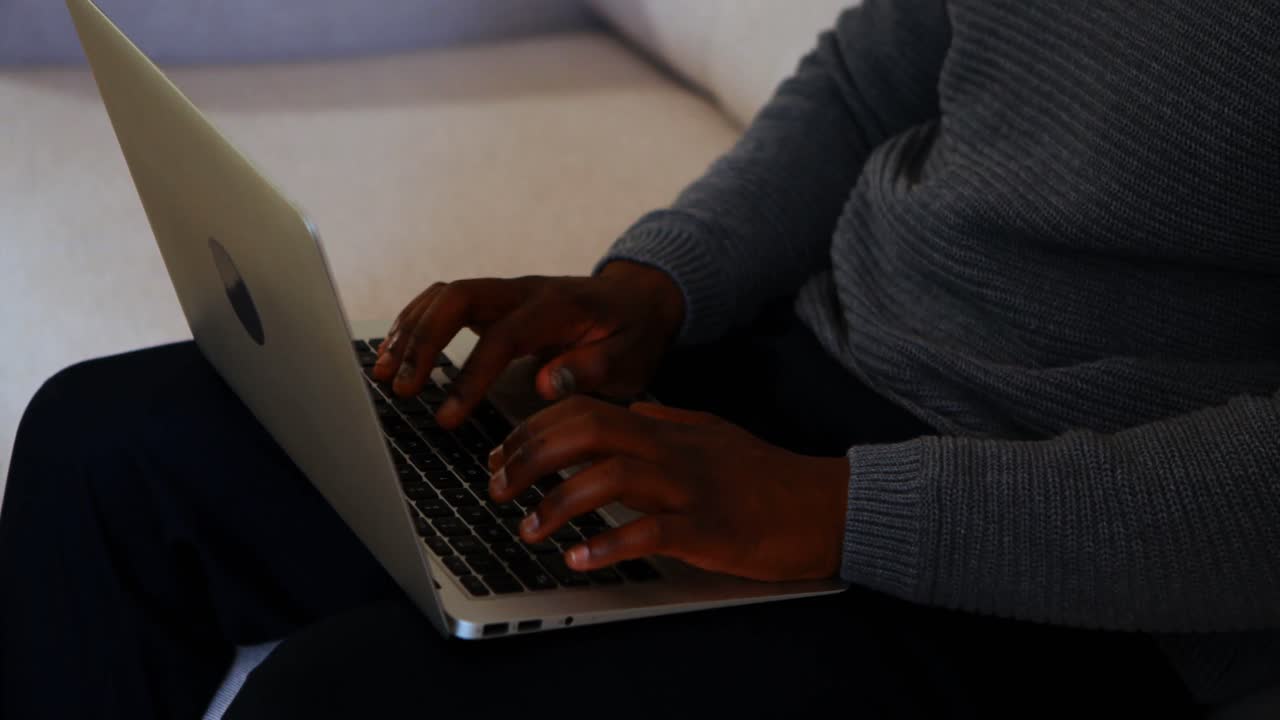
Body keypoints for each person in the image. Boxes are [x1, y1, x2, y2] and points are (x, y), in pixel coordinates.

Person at [2, 0, 1277, 717]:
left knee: (339, 702)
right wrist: (653, 287)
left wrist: (834, 514)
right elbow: (866, 80)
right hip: (798, 380)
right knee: (106, 453)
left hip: (1078, 585)